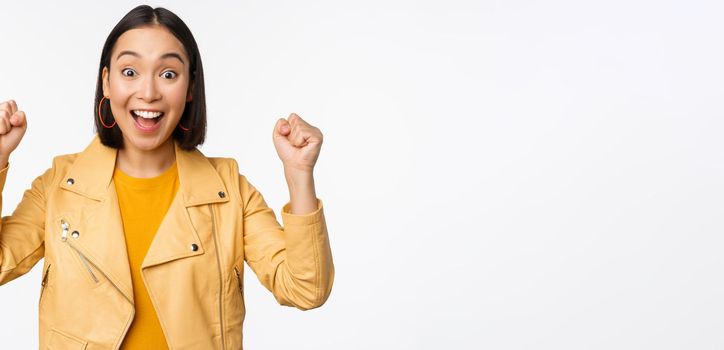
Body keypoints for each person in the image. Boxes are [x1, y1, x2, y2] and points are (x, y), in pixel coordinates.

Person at [0, 5, 334, 349]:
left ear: (190, 87)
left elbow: (305, 288)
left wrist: (299, 174)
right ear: (107, 83)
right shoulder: (60, 186)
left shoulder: (229, 190)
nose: (148, 92)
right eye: (129, 71)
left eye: (169, 74)